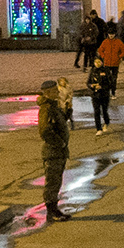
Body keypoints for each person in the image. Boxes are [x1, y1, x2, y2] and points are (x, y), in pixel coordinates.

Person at [38, 78, 73, 220]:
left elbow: (59, 123)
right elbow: (45, 130)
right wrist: (60, 143)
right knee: (52, 182)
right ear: (47, 93)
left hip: (58, 151)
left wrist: (68, 111)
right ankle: (51, 212)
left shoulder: (54, 106)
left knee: (57, 181)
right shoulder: (46, 108)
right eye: (54, 91)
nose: (57, 92)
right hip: (52, 152)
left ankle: (55, 210)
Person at [85, 58, 117, 132]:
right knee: (96, 111)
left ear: (102, 62)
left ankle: (106, 122)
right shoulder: (92, 71)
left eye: (99, 62)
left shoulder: (106, 70)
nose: (97, 63)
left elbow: (111, 83)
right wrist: (91, 86)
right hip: (95, 94)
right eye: (96, 62)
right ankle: (98, 128)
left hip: (104, 94)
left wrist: (102, 87)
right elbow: (88, 82)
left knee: (104, 111)